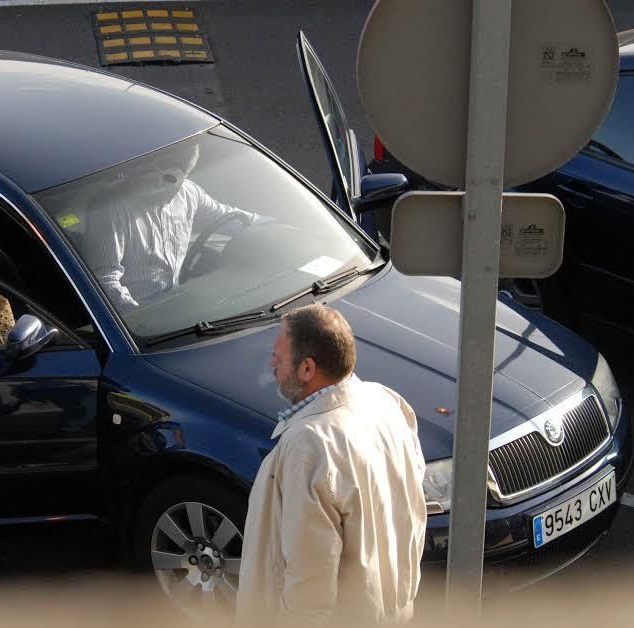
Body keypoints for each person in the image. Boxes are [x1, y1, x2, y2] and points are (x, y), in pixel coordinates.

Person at [236, 304, 427, 626]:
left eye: (279, 358)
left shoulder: (307, 445)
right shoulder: (385, 401)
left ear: (306, 369)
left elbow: (310, 578)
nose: (272, 364)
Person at [84, 142, 258, 309]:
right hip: (138, 314)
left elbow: (229, 217)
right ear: (149, 169)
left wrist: (269, 224)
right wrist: (139, 320)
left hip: (177, 304)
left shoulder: (187, 192)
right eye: (171, 179)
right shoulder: (110, 209)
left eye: (184, 176)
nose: (177, 189)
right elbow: (105, 281)